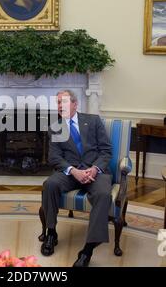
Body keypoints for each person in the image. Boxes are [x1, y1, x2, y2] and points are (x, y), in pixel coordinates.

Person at [41, 90, 112, 267]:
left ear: (75, 104)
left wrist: (94, 169)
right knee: (50, 184)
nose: (60, 106)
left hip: (95, 171)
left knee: (104, 194)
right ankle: (51, 232)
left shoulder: (93, 120)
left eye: (63, 102)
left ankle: (87, 250)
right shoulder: (55, 127)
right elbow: (54, 157)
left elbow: (106, 150)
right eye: (57, 103)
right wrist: (73, 171)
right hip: (71, 173)